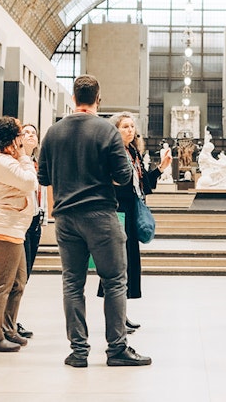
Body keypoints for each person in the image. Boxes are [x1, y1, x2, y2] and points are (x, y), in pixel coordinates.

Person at [37, 75, 151, 368]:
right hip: (100, 215)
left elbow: (43, 178)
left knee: (72, 283)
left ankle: (78, 352)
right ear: (97, 98)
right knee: (114, 281)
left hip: (65, 217)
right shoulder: (106, 131)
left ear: (74, 98)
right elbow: (123, 176)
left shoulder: (52, 132)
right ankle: (116, 349)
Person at [96, 113, 171, 332]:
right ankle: (115, 318)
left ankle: (122, 313)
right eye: (125, 126)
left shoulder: (132, 152)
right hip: (117, 212)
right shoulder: (113, 153)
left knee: (127, 266)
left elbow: (142, 182)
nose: (130, 130)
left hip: (129, 212)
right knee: (116, 266)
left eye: (132, 126)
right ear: (115, 130)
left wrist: (161, 168)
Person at [0, 116, 39, 353]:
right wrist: (23, 155)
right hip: (3, 229)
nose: (21, 141)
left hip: (13, 229)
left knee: (18, 282)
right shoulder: (1, 162)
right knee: (2, 284)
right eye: (18, 136)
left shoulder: (3, 160)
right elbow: (29, 182)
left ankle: (7, 328)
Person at [16, 123, 43, 340]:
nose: (30, 135)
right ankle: (9, 321)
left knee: (25, 277)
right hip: (21, 223)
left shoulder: (35, 163)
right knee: (17, 276)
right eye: (26, 132)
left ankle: (12, 319)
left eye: (33, 133)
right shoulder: (16, 162)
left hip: (35, 221)